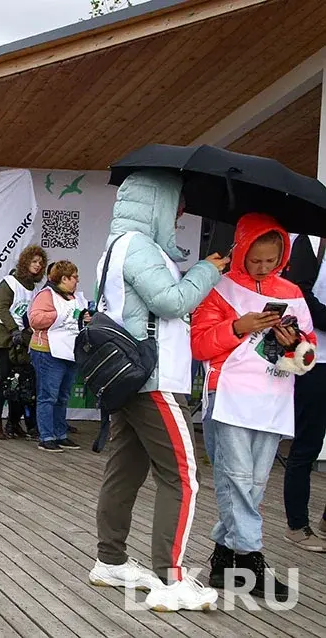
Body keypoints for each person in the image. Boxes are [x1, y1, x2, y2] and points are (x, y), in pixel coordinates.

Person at [87, 171, 228, 613]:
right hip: (155, 379)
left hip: (129, 379)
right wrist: (209, 269)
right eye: (177, 203)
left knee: (124, 469)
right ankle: (173, 578)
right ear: (157, 204)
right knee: (183, 476)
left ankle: (110, 560)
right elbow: (171, 302)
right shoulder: (140, 246)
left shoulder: (115, 247)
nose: (181, 211)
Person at [191, 214, 311, 602]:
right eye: (256, 259)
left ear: (281, 256)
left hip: (274, 398)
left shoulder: (292, 292)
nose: (262, 267)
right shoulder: (220, 288)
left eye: (270, 261)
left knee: (253, 483)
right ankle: (251, 556)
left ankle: (224, 559)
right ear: (241, 251)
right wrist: (239, 326)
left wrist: (293, 340)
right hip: (228, 395)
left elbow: (307, 354)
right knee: (237, 479)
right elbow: (200, 346)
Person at [283, 233, 326, 551]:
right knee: (306, 445)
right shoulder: (309, 241)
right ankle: (297, 524)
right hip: (313, 359)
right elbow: (301, 297)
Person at [0, 245, 46, 440]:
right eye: (34, 261)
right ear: (25, 262)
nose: (37, 266)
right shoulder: (10, 283)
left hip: (24, 339)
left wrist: (26, 333)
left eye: (40, 263)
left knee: (21, 381)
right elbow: (2, 309)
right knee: (5, 378)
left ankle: (14, 421)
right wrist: (14, 330)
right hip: (5, 337)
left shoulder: (36, 289)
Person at [28, 260, 88, 452]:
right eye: (74, 277)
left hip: (69, 352)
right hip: (47, 351)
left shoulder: (75, 298)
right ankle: (46, 436)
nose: (77, 281)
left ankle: (61, 434)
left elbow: (79, 319)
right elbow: (34, 319)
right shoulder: (46, 295)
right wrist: (58, 315)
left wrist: (86, 317)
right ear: (64, 278)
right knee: (48, 396)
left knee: (63, 396)